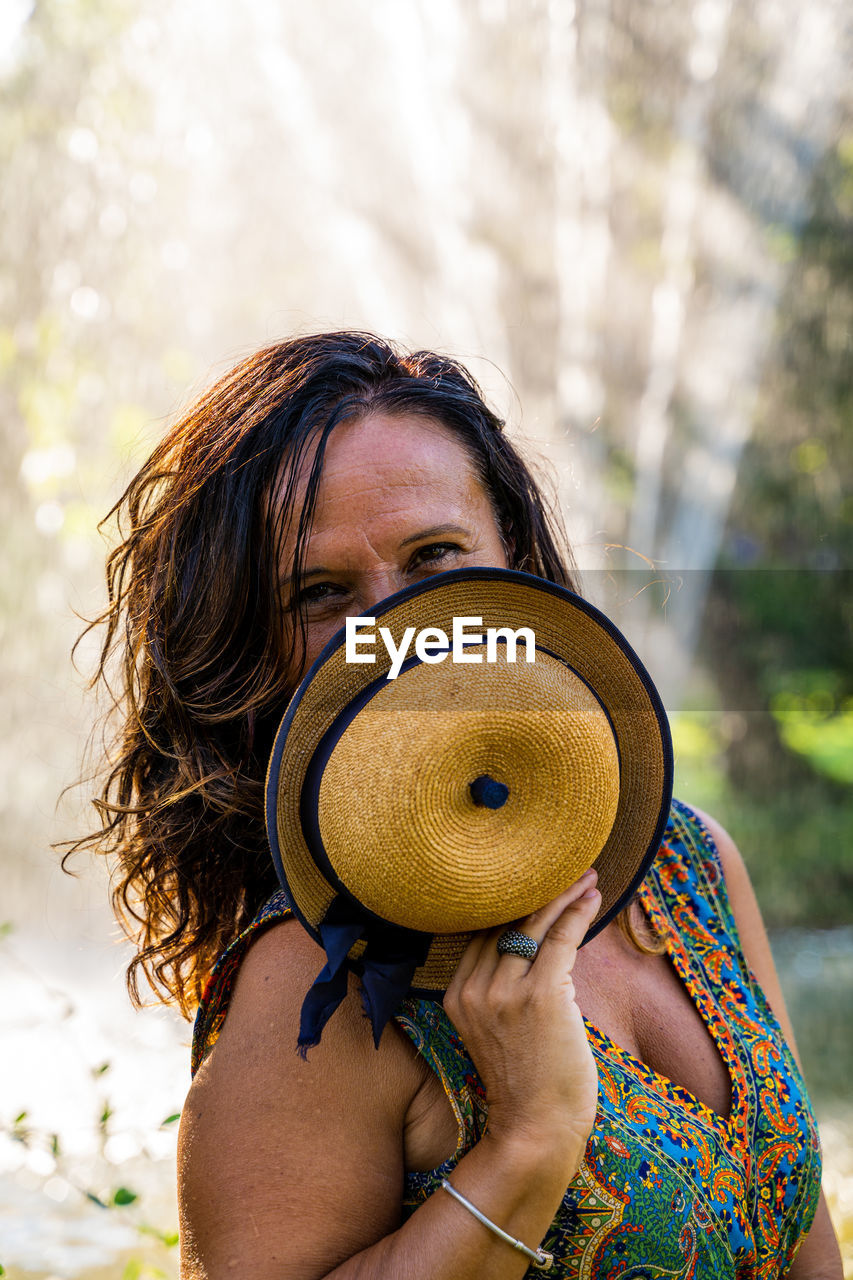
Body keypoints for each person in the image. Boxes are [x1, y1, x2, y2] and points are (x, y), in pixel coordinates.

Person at [76, 332, 842, 1278]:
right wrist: (526, 1140)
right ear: (256, 649)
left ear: (510, 555)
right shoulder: (314, 988)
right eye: (322, 593)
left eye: (435, 555)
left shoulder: (690, 865)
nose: (398, 632)